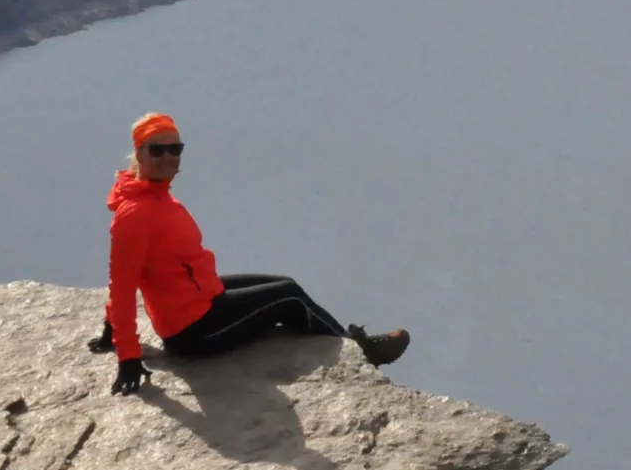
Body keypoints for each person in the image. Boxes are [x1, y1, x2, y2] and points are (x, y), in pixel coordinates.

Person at [92, 112, 409, 395]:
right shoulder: (135, 214)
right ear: (138, 154)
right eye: (156, 149)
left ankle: (344, 345)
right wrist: (127, 354)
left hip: (201, 298)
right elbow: (122, 283)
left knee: (286, 283)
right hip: (192, 331)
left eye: (175, 148)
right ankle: (362, 353)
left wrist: (109, 332)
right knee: (289, 297)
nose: (167, 156)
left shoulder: (156, 197)